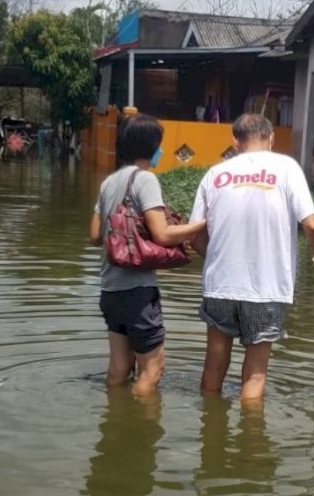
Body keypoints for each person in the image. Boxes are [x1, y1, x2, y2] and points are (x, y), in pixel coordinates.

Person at [189, 113, 314, 402]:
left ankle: (210, 439)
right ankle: (251, 444)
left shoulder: (214, 174)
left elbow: (194, 236)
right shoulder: (286, 167)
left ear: (235, 141)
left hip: (220, 285)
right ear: (271, 138)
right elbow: (313, 226)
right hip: (267, 288)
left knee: (214, 365)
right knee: (256, 374)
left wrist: (221, 257)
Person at [89, 113, 206, 396]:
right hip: (137, 291)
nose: (161, 151)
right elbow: (162, 234)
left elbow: (94, 235)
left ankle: (114, 425)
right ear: (151, 146)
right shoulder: (145, 180)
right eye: (160, 145)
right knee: (152, 370)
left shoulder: (109, 183)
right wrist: (203, 223)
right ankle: (138, 433)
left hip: (110, 290)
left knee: (118, 368)